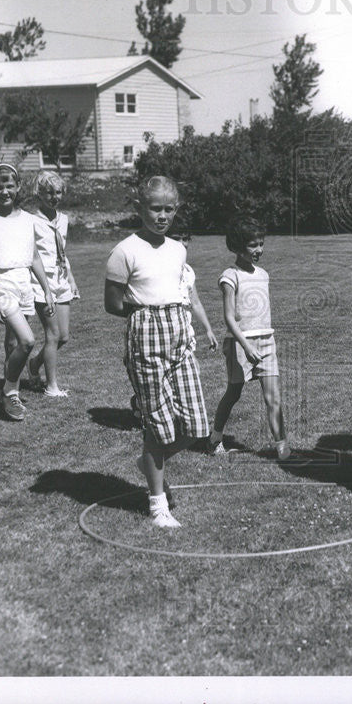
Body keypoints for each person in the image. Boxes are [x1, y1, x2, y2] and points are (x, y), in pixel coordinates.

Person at [104, 176, 212, 528]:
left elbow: (182, 291)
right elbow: (113, 304)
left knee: (196, 425)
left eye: (169, 209)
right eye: (155, 208)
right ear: (140, 208)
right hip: (145, 338)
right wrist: (148, 319)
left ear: (176, 210)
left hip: (180, 336)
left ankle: (149, 461)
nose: (162, 215)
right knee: (159, 426)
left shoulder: (178, 249)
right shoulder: (125, 251)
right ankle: (157, 504)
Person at [0, 163, 56, 421]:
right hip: (1, 284)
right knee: (27, 340)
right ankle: (9, 390)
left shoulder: (29, 220)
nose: (4, 191)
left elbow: (33, 257)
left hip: (24, 283)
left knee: (12, 342)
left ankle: (11, 394)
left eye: (9, 186)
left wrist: (47, 289)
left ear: (18, 187)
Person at [208, 216, 291, 461]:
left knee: (273, 397)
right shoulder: (229, 276)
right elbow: (229, 319)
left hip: (266, 342)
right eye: (252, 245)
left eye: (261, 244)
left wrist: (260, 345)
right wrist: (246, 347)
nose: (259, 250)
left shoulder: (263, 274)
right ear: (237, 246)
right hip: (239, 344)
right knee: (233, 393)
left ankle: (282, 447)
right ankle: (214, 439)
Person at [129, 222, 218, 422]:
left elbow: (195, 302)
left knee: (191, 371)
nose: (183, 244)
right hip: (159, 331)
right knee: (158, 377)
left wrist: (208, 330)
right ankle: (141, 404)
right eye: (178, 239)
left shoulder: (187, 271)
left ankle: (175, 414)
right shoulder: (155, 268)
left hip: (184, 331)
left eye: (186, 239)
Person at [26, 170, 80, 397]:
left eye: (58, 192)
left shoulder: (63, 219)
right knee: (52, 334)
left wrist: (71, 279)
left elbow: (62, 252)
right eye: (49, 192)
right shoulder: (29, 221)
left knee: (64, 336)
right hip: (41, 282)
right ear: (39, 193)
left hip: (61, 279)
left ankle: (34, 365)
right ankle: (51, 386)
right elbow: (31, 255)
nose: (54, 197)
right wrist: (44, 287)